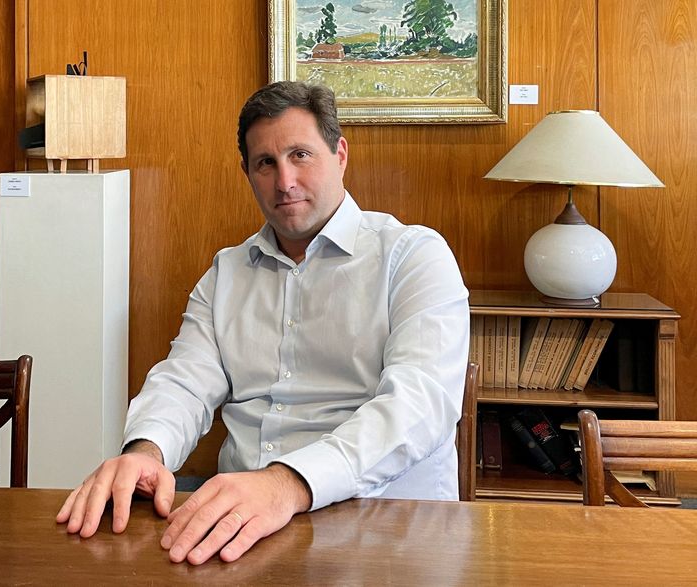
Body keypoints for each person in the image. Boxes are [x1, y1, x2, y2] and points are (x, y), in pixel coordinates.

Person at [57, 81, 469, 565]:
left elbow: (417, 408)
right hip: (241, 530)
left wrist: (286, 484)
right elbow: (184, 382)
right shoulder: (226, 273)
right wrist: (147, 452)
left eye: (301, 155)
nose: (285, 181)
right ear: (247, 173)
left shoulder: (413, 256)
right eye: (265, 163)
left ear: (340, 154)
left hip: (387, 533)